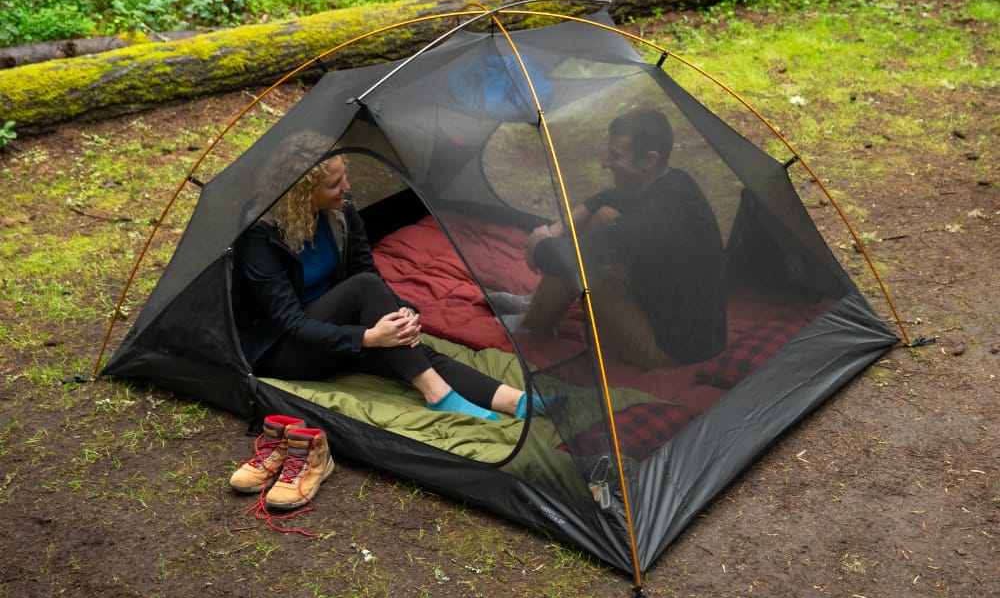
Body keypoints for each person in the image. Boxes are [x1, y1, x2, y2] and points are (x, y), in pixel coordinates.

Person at [233, 151, 537, 421]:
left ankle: (518, 401)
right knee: (371, 304)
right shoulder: (261, 235)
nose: (347, 187)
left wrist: (403, 309)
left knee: (409, 349)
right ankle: (438, 397)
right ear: (302, 193)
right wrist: (368, 337)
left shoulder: (339, 211)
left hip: (338, 331)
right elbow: (292, 323)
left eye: (344, 176)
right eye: (334, 184)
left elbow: (366, 269)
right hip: (288, 351)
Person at [492, 108, 727, 369]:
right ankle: (540, 303)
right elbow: (607, 198)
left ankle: (533, 325)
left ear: (649, 160)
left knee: (584, 267)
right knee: (604, 216)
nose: (605, 162)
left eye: (615, 155)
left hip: (671, 347)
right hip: (669, 303)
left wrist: (540, 243)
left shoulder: (653, 220)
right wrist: (554, 230)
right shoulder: (674, 181)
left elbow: (569, 261)